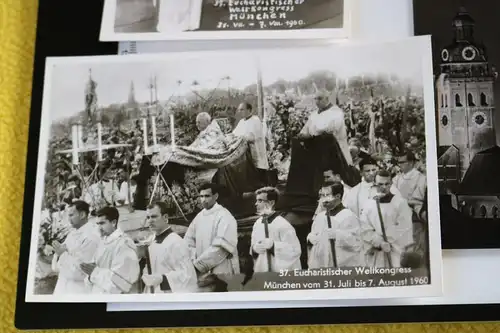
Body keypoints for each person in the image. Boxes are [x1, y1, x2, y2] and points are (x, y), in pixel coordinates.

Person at [184, 183, 240, 279]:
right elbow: (188, 241)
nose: (203, 200)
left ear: (216, 196)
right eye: (201, 196)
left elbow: (222, 247)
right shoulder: (199, 217)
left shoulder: (224, 216)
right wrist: (193, 259)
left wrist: (200, 265)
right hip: (199, 268)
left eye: (207, 196)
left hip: (221, 266)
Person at [140, 202, 198, 293]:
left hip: (169, 295)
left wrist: (162, 278)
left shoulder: (176, 242)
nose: (150, 221)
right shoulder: (152, 240)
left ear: (165, 217)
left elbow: (188, 275)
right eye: (148, 217)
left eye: (154, 216)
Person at [360, 170, 413, 268]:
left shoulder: (400, 203)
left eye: (387, 184)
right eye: (380, 184)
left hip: (395, 252)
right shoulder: (368, 204)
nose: (384, 187)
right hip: (375, 252)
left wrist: (388, 240)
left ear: (391, 183)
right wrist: (379, 242)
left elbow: (405, 227)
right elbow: (364, 228)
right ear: (374, 184)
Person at [81, 206, 140, 294]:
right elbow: (93, 272)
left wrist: (94, 272)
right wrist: (90, 275)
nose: (99, 228)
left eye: (102, 223)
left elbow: (124, 283)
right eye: (97, 224)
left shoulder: (124, 244)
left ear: (113, 222)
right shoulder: (103, 241)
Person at [307, 181, 364, 268]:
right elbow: (314, 236)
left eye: (326, 195)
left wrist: (338, 235)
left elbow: (357, 243)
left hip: (341, 267)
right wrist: (311, 238)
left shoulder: (348, 216)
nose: (323, 199)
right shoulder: (320, 216)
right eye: (321, 195)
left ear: (337, 196)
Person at [51, 200, 100, 294]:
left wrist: (62, 254)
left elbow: (80, 272)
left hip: (78, 289)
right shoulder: (72, 233)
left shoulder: (92, 237)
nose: (68, 219)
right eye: (68, 215)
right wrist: (60, 253)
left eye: (71, 215)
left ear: (82, 215)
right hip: (63, 285)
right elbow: (56, 267)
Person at [250, 187, 301, 272]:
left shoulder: (283, 225)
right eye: (256, 200)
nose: (256, 204)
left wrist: (274, 246)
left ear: (271, 202)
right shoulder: (257, 224)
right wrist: (254, 249)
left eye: (260, 201)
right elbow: (253, 246)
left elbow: (294, 250)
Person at [297, 90, 353, 165]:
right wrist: (302, 134)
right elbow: (306, 128)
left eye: (320, 98)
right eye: (315, 99)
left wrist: (311, 136)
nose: (317, 101)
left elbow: (330, 130)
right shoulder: (314, 114)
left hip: (334, 150)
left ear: (327, 99)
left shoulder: (336, 112)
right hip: (318, 150)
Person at [233, 102, 269, 170]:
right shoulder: (241, 121)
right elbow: (234, 134)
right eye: (239, 110)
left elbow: (251, 138)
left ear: (249, 110)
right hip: (243, 149)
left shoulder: (255, 120)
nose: (239, 112)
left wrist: (239, 138)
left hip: (253, 150)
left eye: (242, 109)